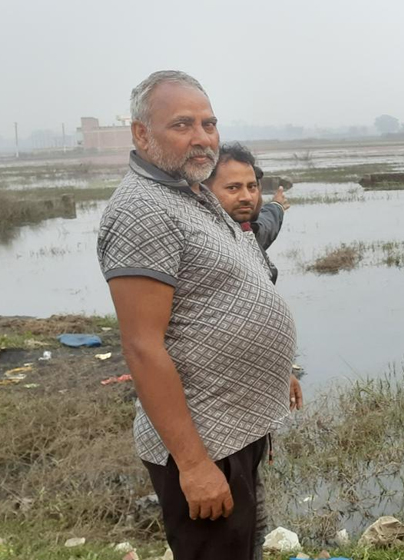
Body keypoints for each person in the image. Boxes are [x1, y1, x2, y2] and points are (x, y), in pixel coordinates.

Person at [96, 70, 302, 560]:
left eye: (209, 124)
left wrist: (281, 369)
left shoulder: (193, 194)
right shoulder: (143, 210)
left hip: (236, 431)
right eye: (182, 125)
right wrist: (193, 466)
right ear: (141, 133)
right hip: (206, 443)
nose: (202, 137)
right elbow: (143, 347)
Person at [204, 142, 290, 282]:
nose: (247, 197)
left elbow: (265, 226)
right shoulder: (200, 238)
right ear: (204, 190)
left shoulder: (246, 232)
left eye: (252, 187)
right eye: (232, 188)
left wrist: (277, 206)